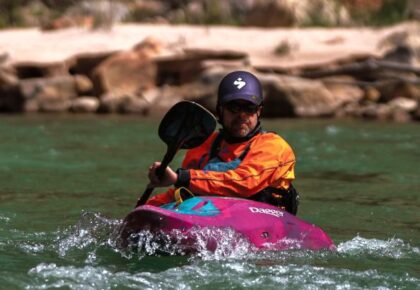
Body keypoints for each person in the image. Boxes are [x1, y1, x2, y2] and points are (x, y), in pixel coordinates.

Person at [147, 70, 299, 215]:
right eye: (234, 107)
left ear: (259, 111)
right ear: (220, 110)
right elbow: (185, 192)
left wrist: (180, 178)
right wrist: (147, 209)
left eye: (249, 108)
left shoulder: (274, 146)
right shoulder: (202, 146)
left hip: (268, 219)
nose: (241, 115)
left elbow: (245, 182)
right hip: (213, 216)